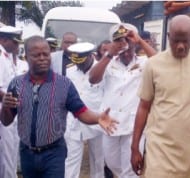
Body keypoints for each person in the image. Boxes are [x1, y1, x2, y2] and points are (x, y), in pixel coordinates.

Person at [0, 36, 117, 178]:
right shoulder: (17, 84)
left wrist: (98, 118)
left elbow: (81, 112)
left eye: (46, 54)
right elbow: (6, 121)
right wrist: (5, 106)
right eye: (37, 55)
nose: (42, 58)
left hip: (54, 153)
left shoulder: (64, 84)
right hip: (27, 153)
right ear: (26, 57)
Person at [131, 14, 190, 178]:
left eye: (185, 41)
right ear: (168, 37)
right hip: (159, 146)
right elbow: (143, 106)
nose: (180, 46)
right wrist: (135, 147)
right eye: (175, 41)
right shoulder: (153, 64)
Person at [89, 23, 156, 178]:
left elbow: (161, 62)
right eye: (120, 40)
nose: (125, 43)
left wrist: (140, 41)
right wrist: (110, 54)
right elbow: (93, 78)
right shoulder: (108, 62)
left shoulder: (144, 62)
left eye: (128, 39)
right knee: (112, 163)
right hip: (110, 123)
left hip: (134, 125)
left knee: (131, 169)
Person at [64, 42, 106, 178]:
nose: (78, 65)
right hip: (74, 121)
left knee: (98, 161)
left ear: (90, 56)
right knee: (71, 160)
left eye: (81, 62)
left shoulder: (102, 69)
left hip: (96, 121)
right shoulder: (69, 70)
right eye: (76, 62)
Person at [0, 25, 28, 178]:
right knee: (7, 151)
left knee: (11, 149)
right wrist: (11, 101)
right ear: (3, 39)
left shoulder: (7, 56)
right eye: (15, 42)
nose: (18, 46)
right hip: (4, 109)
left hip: (11, 108)